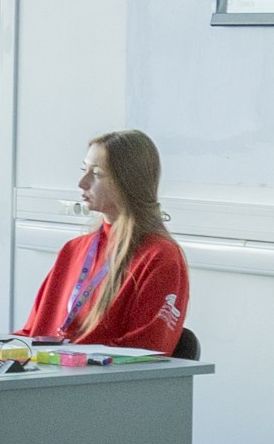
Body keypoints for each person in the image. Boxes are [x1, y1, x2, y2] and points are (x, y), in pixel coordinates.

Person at [18, 129, 189, 352]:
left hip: (95, 384)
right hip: (46, 376)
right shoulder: (74, 250)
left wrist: (68, 359)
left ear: (128, 181)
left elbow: (147, 352)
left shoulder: (160, 256)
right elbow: (33, 333)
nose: (82, 182)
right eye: (83, 170)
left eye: (96, 174)